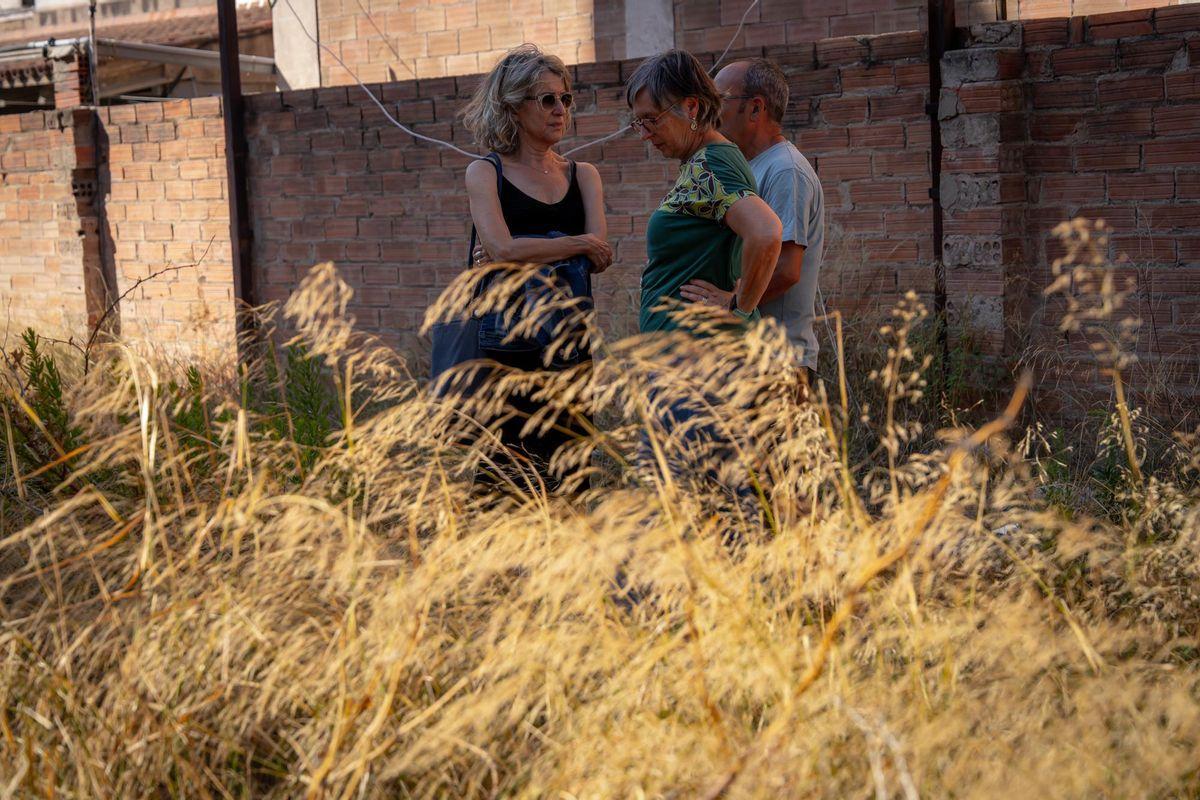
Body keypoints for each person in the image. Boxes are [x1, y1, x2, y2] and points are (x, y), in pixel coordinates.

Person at [624, 49, 782, 491]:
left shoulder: (713, 163)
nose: (645, 133)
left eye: (651, 119)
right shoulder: (704, 163)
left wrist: (738, 304)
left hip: (693, 370)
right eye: (638, 122)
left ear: (691, 107)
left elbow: (766, 233)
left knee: (670, 513)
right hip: (687, 365)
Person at [459, 44, 611, 487]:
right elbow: (503, 250)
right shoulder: (485, 173)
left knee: (570, 480)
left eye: (565, 98)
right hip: (506, 353)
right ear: (513, 106)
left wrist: (528, 248)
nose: (560, 109)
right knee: (506, 488)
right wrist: (574, 244)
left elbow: (600, 253)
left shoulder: (583, 175)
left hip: (570, 350)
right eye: (547, 99)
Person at [681, 57, 826, 390]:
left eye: (718, 101)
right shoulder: (747, 166)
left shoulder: (785, 170)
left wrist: (732, 303)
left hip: (779, 363)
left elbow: (788, 268)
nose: (709, 112)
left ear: (756, 109)